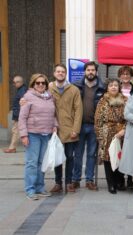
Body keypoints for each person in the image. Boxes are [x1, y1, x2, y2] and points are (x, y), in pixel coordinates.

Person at [18, 74, 58, 200]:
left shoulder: (50, 97)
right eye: (37, 83)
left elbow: (53, 114)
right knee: (32, 163)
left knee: (42, 162)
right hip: (32, 134)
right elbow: (22, 117)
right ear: (33, 84)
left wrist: (55, 125)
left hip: (46, 134)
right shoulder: (27, 97)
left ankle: (40, 187)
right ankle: (30, 189)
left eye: (43, 83)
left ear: (46, 84)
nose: (40, 85)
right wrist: (23, 135)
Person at [48, 64, 83, 194]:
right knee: (57, 157)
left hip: (69, 129)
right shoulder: (49, 88)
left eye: (63, 71)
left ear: (66, 73)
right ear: (54, 73)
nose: (60, 73)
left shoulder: (73, 89)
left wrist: (76, 129)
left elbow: (78, 110)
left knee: (69, 157)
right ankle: (58, 183)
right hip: (55, 129)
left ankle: (69, 183)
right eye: (58, 71)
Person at [72, 61, 106, 190]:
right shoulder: (76, 86)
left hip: (94, 126)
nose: (90, 72)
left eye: (93, 70)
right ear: (84, 71)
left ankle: (89, 180)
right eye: (88, 70)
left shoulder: (102, 88)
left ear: (96, 72)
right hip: (79, 125)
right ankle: (76, 179)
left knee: (92, 154)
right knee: (78, 154)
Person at [94, 78, 127, 194]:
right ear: (107, 87)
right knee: (108, 158)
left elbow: (129, 118)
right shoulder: (102, 101)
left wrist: (124, 129)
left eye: (116, 85)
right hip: (107, 133)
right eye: (111, 85)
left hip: (122, 133)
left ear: (119, 88)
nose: (113, 87)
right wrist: (100, 136)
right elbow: (98, 120)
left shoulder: (125, 100)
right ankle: (111, 183)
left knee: (120, 156)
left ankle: (120, 181)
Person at [117, 65, 133, 189]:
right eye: (123, 74)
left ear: (131, 76)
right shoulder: (114, 88)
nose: (125, 76)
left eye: (127, 74)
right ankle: (119, 179)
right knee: (119, 152)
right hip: (117, 125)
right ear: (120, 76)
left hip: (131, 124)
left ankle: (130, 179)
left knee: (130, 153)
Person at [3, 75, 27, 153]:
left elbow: (23, 103)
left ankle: (12, 147)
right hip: (18, 114)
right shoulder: (21, 89)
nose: (14, 84)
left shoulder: (22, 91)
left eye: (15, 82)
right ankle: (14, 147)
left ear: (19, 82)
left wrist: (18, 115)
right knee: (17, 131)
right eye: (13, 82)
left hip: (19, 115)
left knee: (15, 131)